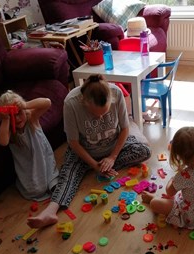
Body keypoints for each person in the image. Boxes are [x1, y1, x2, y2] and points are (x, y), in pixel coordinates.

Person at [28, 74, 151, 228]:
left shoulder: (116, 93)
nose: (100, 118)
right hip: (85, 152)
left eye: (104, 113)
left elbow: (125, 129)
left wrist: (112, 157)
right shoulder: (71, 103)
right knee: (68, 174)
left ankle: (101, 167)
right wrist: (93, 164)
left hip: (113, 148)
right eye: (95, 114)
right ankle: (51, 211)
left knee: (144, 151)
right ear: (83, 102)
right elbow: (73, 142)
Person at [142, 126, 194, 229]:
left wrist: (173, 179)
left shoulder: (185, 175)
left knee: (154, 203)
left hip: (190, 216)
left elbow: (169, 192)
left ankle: (153, 198)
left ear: (180, 156)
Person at [0, 91, 59, 201]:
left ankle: (52, 183)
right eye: (12, 116)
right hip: (29, 170)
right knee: (36, 190)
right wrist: (5, 119)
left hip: (45, 163)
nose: (16, 119)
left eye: (19, 113)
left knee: (54, 181)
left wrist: (26, 105)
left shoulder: (32, 119)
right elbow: (3, 142)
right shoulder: (10, 131)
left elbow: (47, 102)